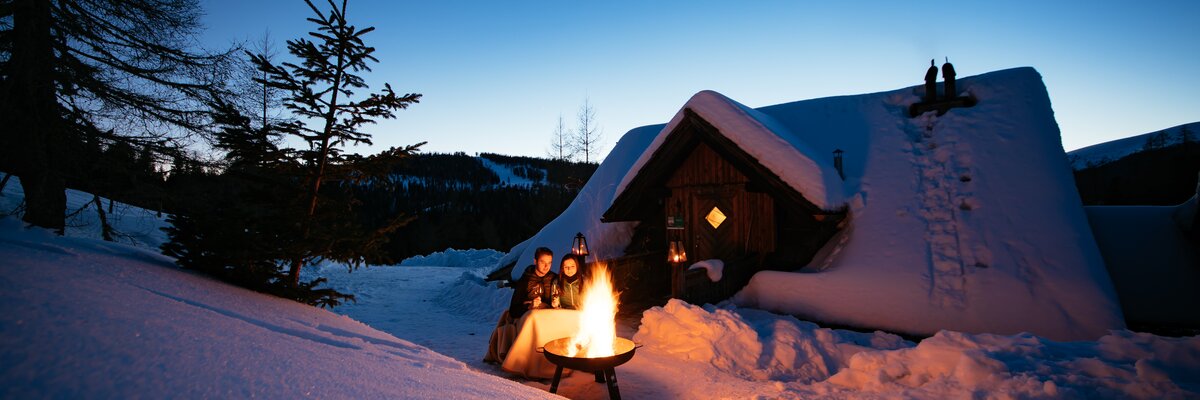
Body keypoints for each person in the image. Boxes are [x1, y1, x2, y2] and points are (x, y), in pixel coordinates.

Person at [507, 247, 558, 319]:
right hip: (531, 318)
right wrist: (529, 306)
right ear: (535, 261)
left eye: (549, 263)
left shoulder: (554, 279)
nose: (546, 266)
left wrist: (556, 303)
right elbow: (513, 310)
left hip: (549, 317)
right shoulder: (526, 280)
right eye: (542, 262)